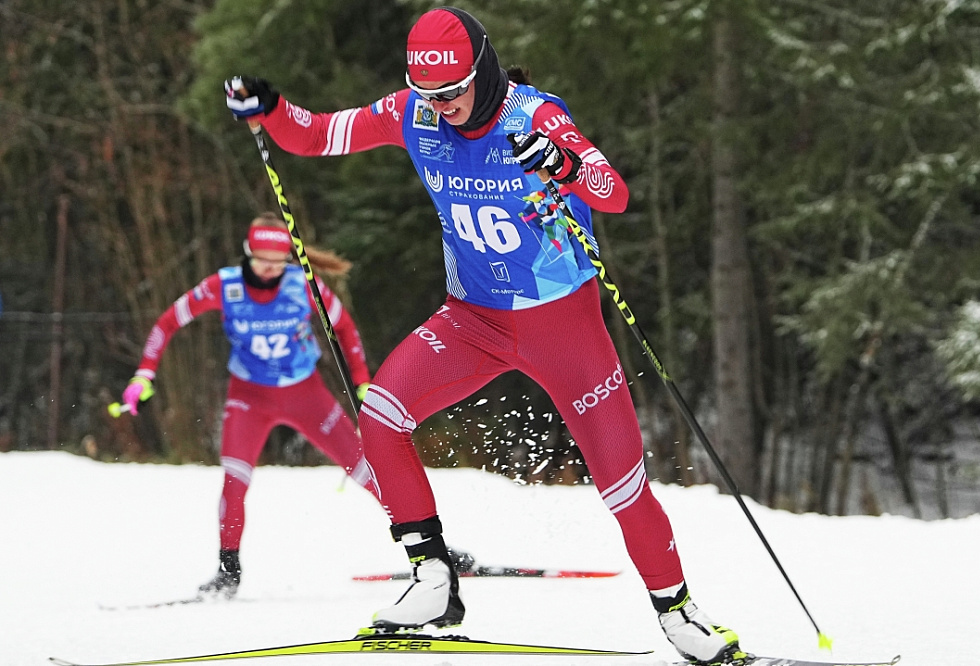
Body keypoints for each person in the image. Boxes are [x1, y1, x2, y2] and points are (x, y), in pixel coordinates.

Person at [224, 7, 743, 664]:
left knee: (622, 484)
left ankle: (678, 614)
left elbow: (612, 193)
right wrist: (270, 107)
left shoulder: (536, 115)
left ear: (484, 71)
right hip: (474, 321)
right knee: (380, 414)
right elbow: (315, 137)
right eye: (429, 94)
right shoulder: (412, 112)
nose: (439, 107)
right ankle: (432, 579)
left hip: (565, 330)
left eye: (452, 92)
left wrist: (563, 164)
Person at [116, 213, 379, 600]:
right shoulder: (223, 286)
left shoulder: (304, 284)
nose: (270, 270)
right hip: (249, 396)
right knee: (234, 481)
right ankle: (228, 572)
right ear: (247, 253)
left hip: (305, 392)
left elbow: (346, 328)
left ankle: (427, 546)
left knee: (365, 468)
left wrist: (361, 382)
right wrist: (143, 374)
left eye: (278, 261)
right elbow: (166, 323)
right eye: (261, 260)